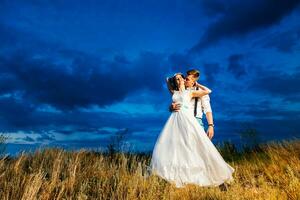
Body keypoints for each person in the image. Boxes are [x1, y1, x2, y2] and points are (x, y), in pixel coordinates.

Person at [150, 73, 235, 188]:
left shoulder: (191, 92)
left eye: (183, 78)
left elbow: (208, 92)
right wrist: (171, 83)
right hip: (175, 121)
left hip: (191, 121)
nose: (182, 79)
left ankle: (215, 177)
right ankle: (181, 176)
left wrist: (211, 125)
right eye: (179, 79)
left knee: (200, 149)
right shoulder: (175, 93)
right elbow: (168, 84)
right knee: (178, 148)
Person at [167, 69, 214, 140]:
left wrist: (210, 126)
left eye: (187, 79)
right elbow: (174, 103)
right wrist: (171, 108)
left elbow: (207, 109)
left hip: (196, 121)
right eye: (185, 78)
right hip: (180, 121)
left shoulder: (200, 91)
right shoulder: (180, 91)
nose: (184, 80)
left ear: (193, 80)